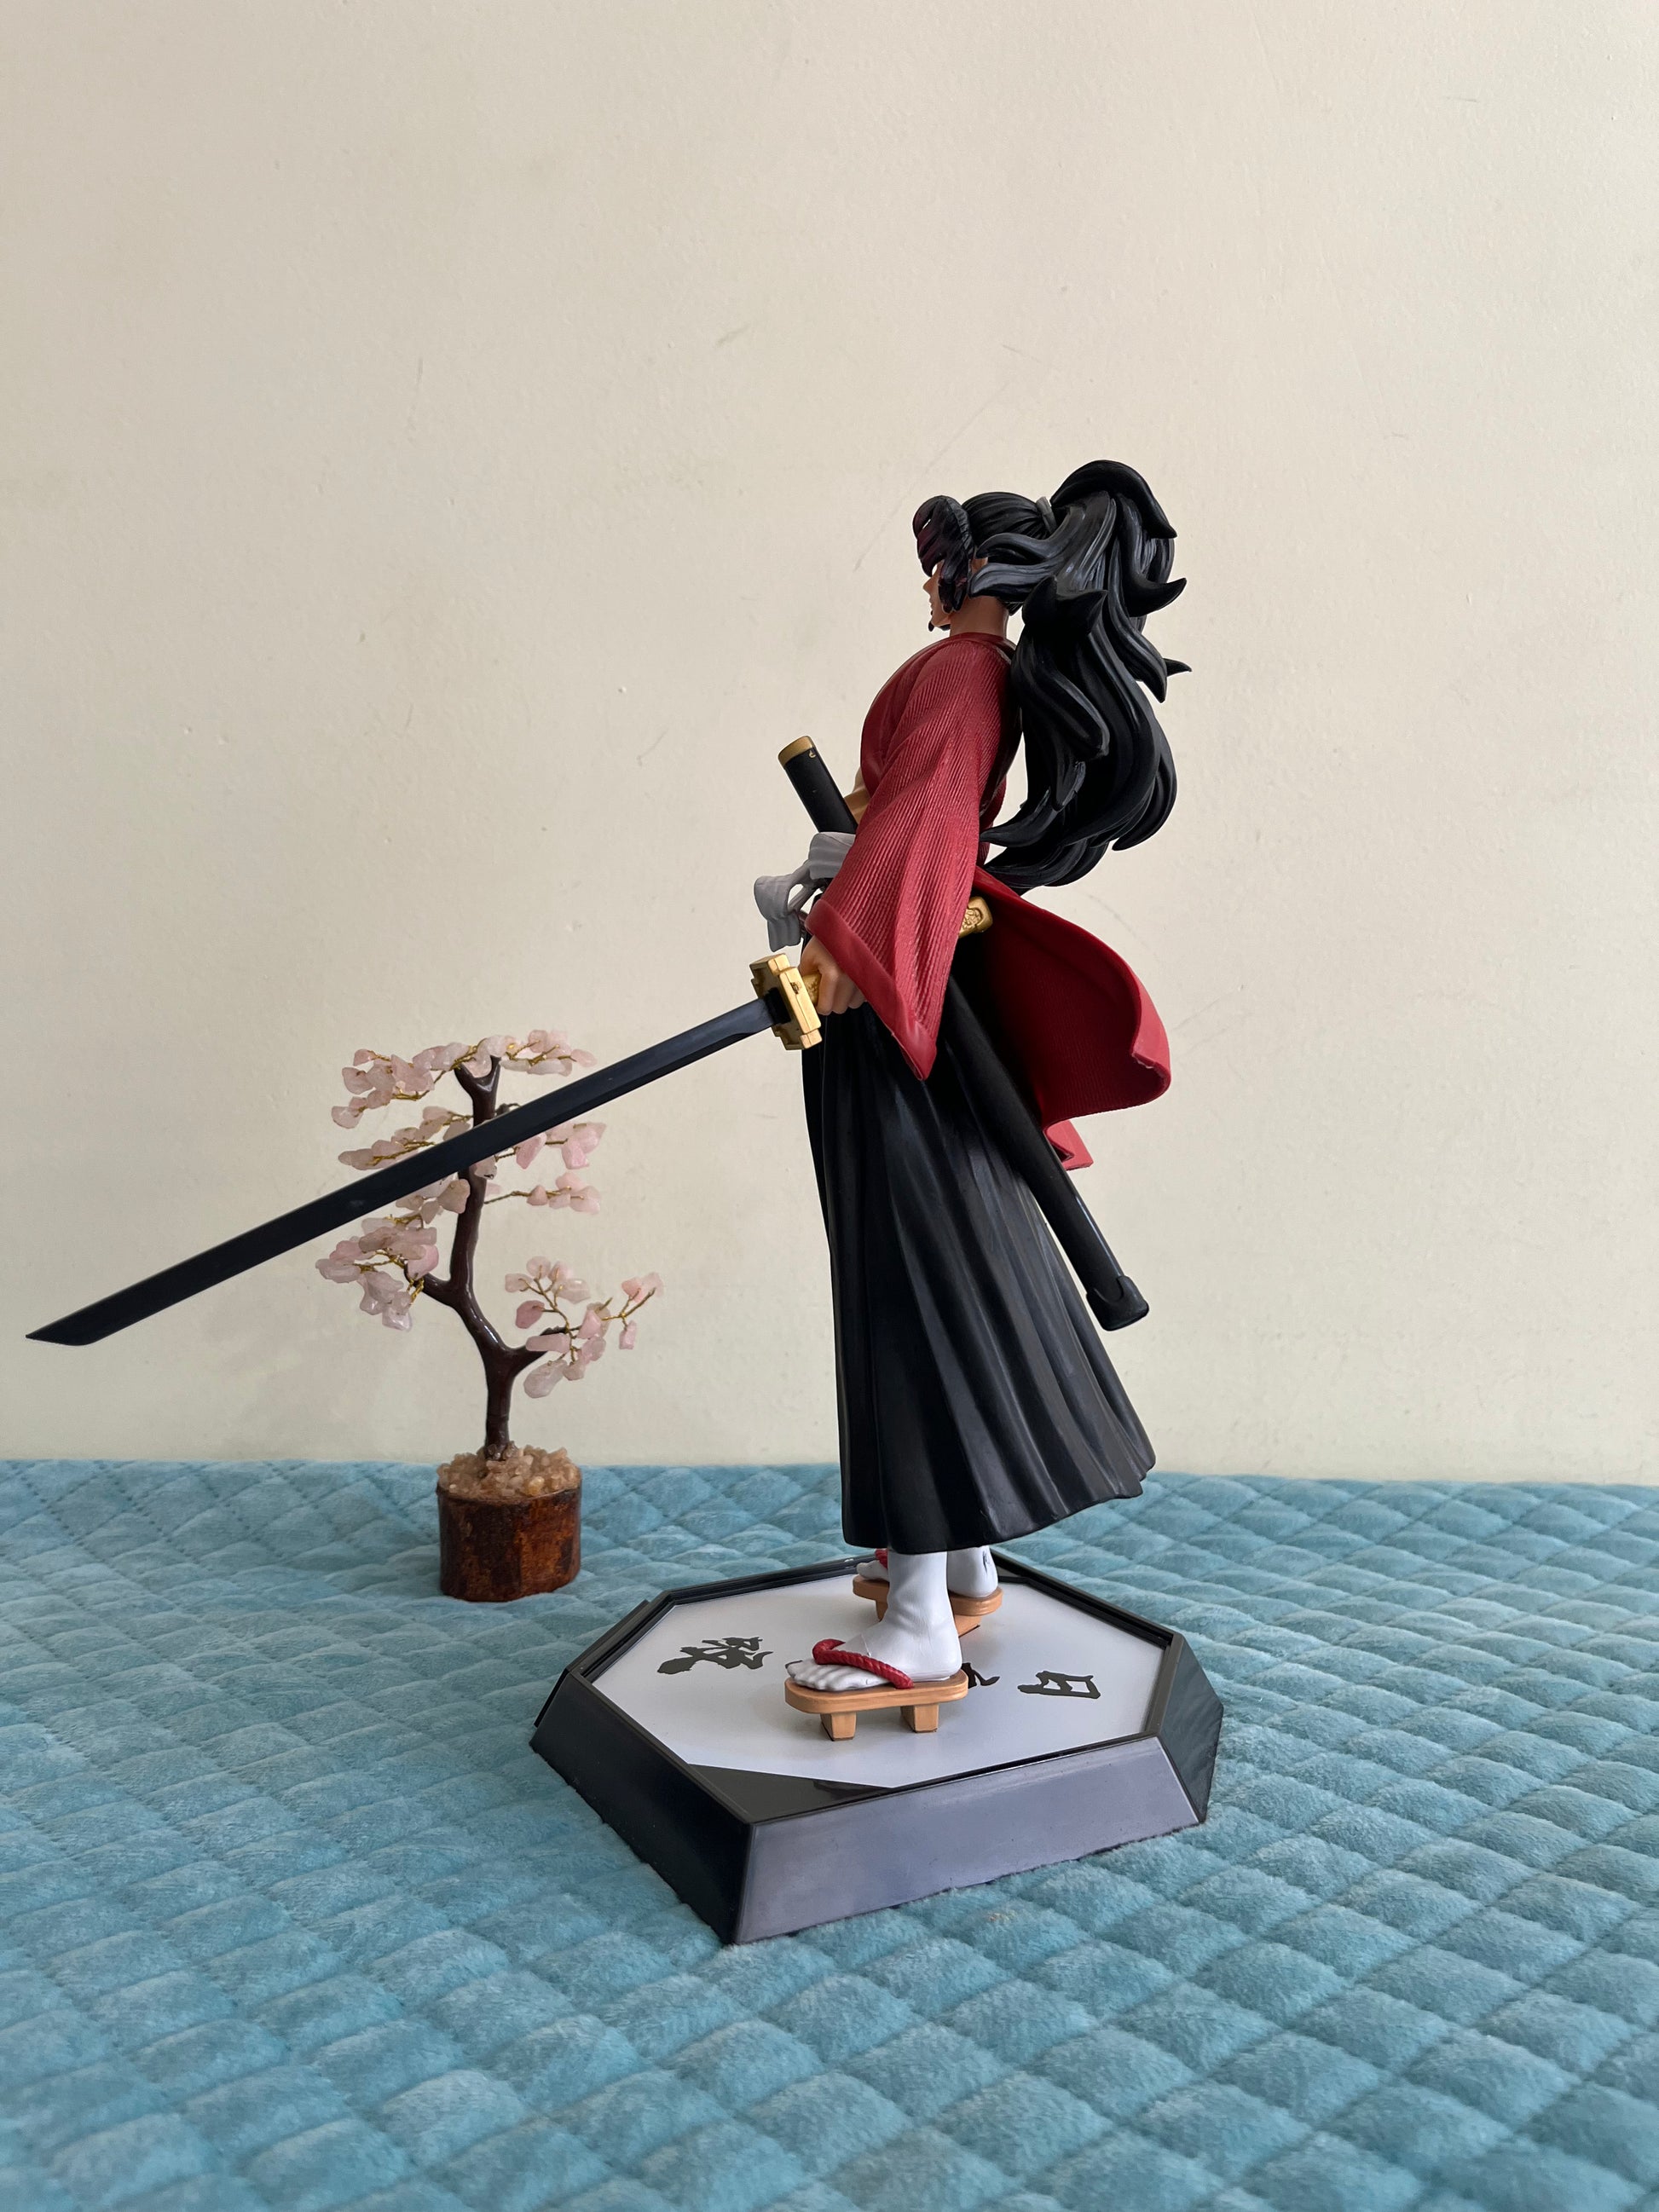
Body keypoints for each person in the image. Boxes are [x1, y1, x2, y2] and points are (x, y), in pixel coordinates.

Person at [763, 461, 1188, 1709]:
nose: (927, 588)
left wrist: (847, 948)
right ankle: (954, 1561)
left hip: (895, 1009)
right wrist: (832, 892)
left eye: (934, 568)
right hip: (907, 999)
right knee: (927, 1269)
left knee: (907, 1292)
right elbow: (896, 820)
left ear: (964, 572)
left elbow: (928, 827)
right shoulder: (971, 673)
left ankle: (917, 1631)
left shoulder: (959, 674)